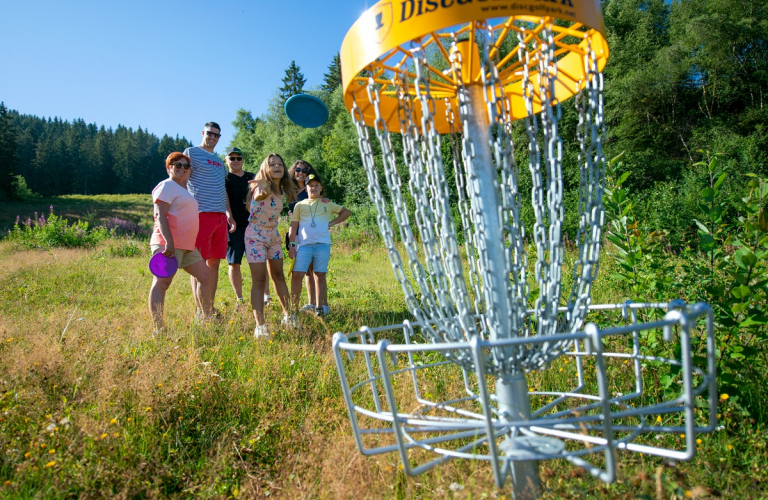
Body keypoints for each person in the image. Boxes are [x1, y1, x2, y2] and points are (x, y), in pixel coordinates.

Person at [148, 153, 214, 330]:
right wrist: (168, 242)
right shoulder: (167, 186)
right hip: (168, 244)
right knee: (162, 283)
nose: (182, 168)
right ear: (169, 168)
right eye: (177, 165)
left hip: (187, 246)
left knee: (206, 277)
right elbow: (160, 215)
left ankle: (205, 319)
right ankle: (158, 328)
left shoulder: (184, 190)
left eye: (186, 166)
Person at [183, 122, 236, 317]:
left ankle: (209, 308)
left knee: (214, 263)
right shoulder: (192, 152)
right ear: (203, 133)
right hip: (200, 214)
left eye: (217, 135)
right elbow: (182, 178)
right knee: (200, 262)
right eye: (210, 133)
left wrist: (228, 213)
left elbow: (223, 189)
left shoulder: (219, 162)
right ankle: (200, 311)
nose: (213, 137)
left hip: (220, 217)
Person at [245, 153, 297, 337]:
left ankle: (288, 316)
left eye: (280, 164)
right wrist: (261, 190)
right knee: (259, 280)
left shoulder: (283, 190)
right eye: (272, 164)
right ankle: (260, 326)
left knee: (279, 276)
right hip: (255, 237)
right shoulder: (262, 186)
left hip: (273, 236)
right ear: (265, 169)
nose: (277, 167)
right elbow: (260, 195)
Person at [288, 173, 351, 317]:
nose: (313, 188)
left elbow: (346, 212)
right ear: (306, 188)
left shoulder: (326, 203)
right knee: (297, 274)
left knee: (320, 274)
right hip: (303, 245)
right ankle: (293, 310)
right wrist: (292, 244)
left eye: (317, 185)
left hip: (322, 244)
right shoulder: (300, 205)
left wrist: (332, 223)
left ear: (321, 188)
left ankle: (320, 308)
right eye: (310, 185)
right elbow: (293, 226)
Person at [223, 147, 255, 309]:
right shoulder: (224, 178)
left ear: (242, 160)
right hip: (234, 225)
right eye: (232, 158)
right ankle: (240, 299)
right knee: (234, 262)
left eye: (238, 158)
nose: (236, 161)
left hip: (254, 224)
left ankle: (265, 297)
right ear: (226, 160)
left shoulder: (252, 177)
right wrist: (230, 217)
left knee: (258, 261)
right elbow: (225, 200)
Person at [287, 160, 320, 311]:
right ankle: (300, 304)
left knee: (312, 269)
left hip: (309, 233)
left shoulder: (311, 190)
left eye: (304, 170)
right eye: (298, 170)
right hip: (295, 233)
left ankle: (313, 302)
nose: (300, 173)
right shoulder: (289, 190)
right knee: (301, 270)